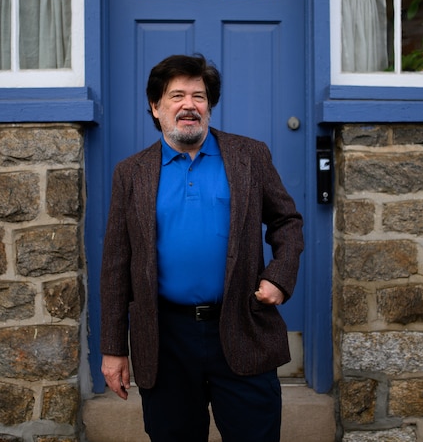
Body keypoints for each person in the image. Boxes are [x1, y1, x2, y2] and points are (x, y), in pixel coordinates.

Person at [100, 54, 304, 442]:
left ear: (209, 106)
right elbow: (115, 264)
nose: (189, 105)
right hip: (165, 338)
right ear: (155, 107)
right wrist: (113, 349)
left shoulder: (249, 156)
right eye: (176, 96)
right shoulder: (131, 173)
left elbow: (287, 222)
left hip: (242, 325)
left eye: (199, 96)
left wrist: (279, 277)